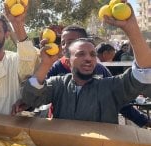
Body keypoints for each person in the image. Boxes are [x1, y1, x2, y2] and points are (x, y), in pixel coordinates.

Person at [19, 3, 151, 125]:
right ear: (68, 60)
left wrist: (132, 30)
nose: (89, 58)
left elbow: (143, 73)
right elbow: (31, 98)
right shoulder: (58, 85)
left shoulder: (110, 86)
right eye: (81, 54)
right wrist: (45, 64)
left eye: (93, 54)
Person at [46, 25, 112, 79]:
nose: (65, 46)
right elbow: (37, 87)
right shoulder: (55, 68)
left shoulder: (99, 69)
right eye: (63, 43)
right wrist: (44, 64)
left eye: (70, 42)